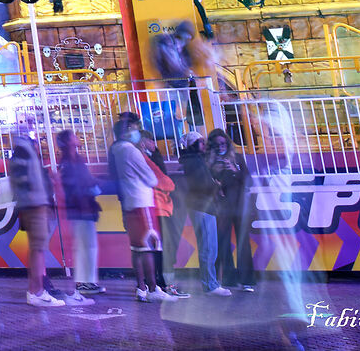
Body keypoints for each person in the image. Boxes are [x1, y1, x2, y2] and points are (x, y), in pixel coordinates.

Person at [109, 115, 180, 302]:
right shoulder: (131, 152)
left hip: (129, 203)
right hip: (143, 202)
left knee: (136, 248)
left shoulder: (115, 150)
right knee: (149, 247)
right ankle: (153, 288)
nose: (136, 132)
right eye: (133, 128)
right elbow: (152, 179)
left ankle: (141, 287)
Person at [9, 127, 74, 307]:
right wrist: (39, 201)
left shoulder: (20, 154)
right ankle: (37, 292)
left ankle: (36, 291)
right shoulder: (24, 153)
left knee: (36, 249)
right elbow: (26, 182)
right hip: (34, 206)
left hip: (31, 206)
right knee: (37, 250)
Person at [177, 135, 227, 296]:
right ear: (193, 144)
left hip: (203, 206)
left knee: (210, 247)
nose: (204, 144)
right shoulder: (194, 161)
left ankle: (211, 282)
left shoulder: (193, 159)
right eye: (200, 142)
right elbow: (201, 184)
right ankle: (210, 285)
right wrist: (216, 185)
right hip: (202, 206)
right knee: (208, 247)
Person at [205, 129, 254, 292]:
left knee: (243, 243)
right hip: (221, 208)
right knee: (222, 243)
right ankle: (228, 279)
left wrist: (235, 171)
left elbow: (249, 180)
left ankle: (247, 280)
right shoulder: (208, 161)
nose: (220, 147)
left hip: (240, 207)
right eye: (217, 144)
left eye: (223, 144)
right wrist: (215, 175)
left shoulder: (237, 158)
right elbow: (203, 184)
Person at [55, 130, 102, 299]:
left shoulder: (74, 160)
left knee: (88, 245)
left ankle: (88, 280)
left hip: (82, 207)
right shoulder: (69, 162)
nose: (77, 137)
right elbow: (76, 184)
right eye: (73, 136)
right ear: (68, 142)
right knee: (84, 245)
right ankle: (83, 281)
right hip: (79, 208)